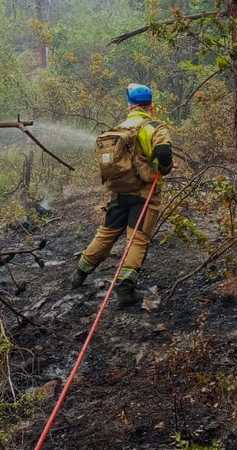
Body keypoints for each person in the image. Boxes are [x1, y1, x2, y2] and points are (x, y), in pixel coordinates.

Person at [68, 83, 173, 306]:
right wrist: (162, 169)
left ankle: (79, 273)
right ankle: (125, 289)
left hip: (118, 192)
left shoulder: (121, 127)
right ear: (150, 105)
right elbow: (164, 151)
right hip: (144, 193)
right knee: (137, 238)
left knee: (106, 233)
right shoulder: (153, 126)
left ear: (130, 105)